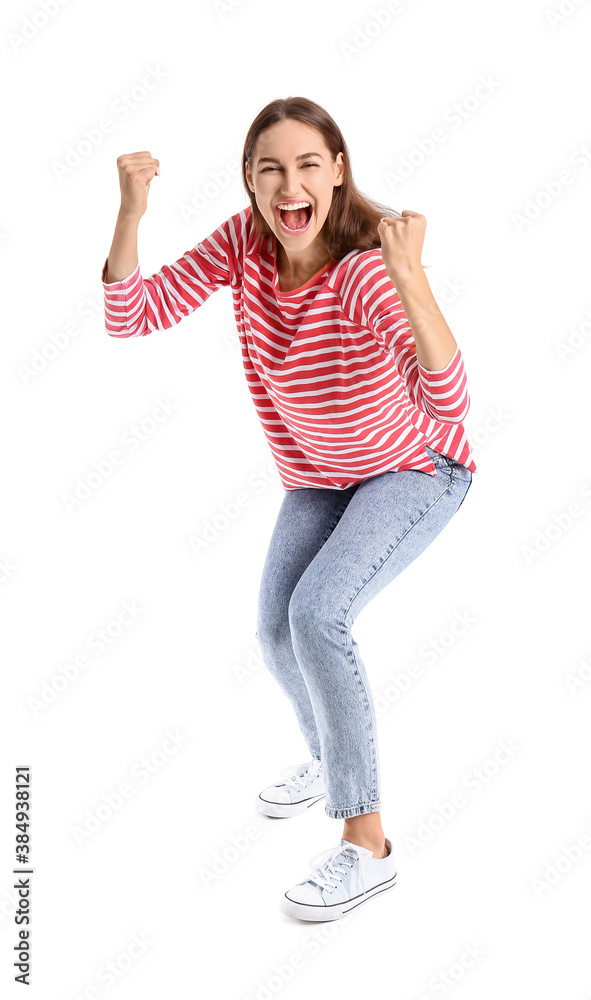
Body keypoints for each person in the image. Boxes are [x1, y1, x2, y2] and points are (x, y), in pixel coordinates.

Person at [101, 96, 477, 923]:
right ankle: (331, 757)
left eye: (308, 164)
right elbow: (131, 315)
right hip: (319, 478)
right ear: (248, 180)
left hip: (416, 470)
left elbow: (448, 403)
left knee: (317, 618)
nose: (289, 183)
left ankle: (366, 843)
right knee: (274, 630)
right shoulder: (245, 243)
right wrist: (131, 214)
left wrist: (409, 275)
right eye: (269, 167)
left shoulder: (366, 270)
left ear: (338, 171)